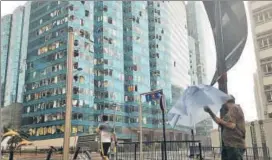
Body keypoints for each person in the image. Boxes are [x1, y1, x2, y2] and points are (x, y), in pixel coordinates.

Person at [204, 95, 245, 160]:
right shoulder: (230, 112)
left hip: (234, 145)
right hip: (229, 145)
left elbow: (232, 125)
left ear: (226, 101)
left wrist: (221, 121)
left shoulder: (234, 107)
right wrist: (210, 112)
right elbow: (220, 122)